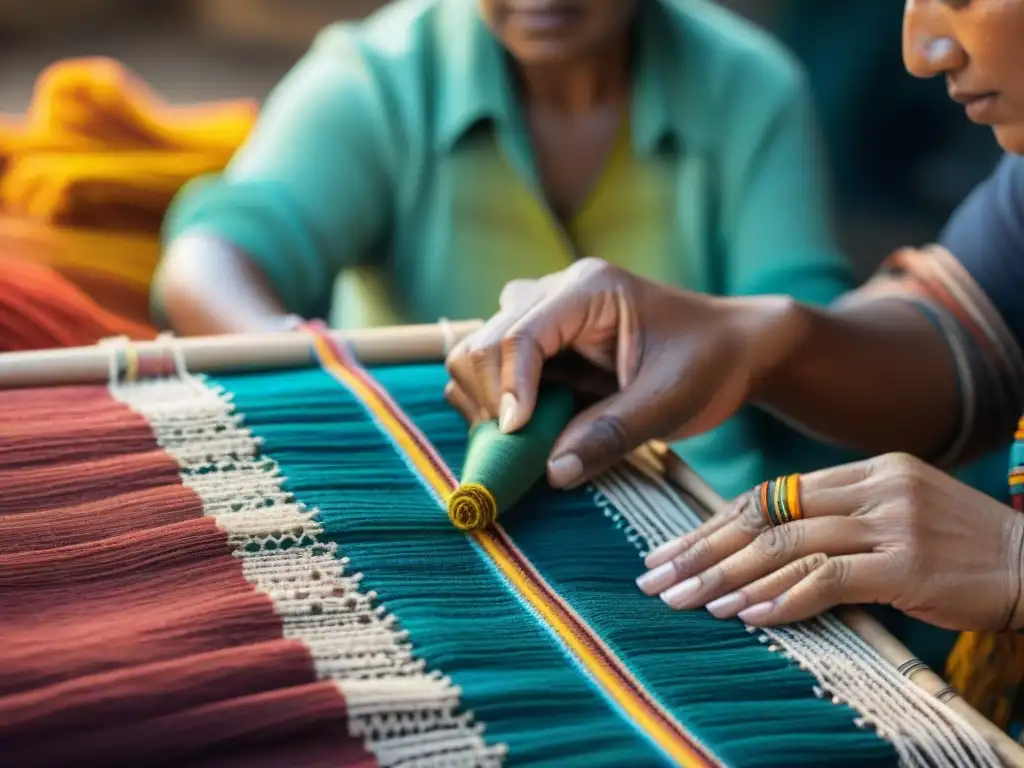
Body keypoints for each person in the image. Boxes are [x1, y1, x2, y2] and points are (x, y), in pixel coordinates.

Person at [442, 0, 1024, 731]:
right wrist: (755, 339)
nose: (922, 51)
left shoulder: (741, 80)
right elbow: (973, 335)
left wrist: (1014, 558)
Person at [153, 0, 862, 499]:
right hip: (433, 485)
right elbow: (212, 257)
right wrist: (325, 376)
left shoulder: (750, 88)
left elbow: (809, 330)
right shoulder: (381, 75)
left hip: (698, 509)